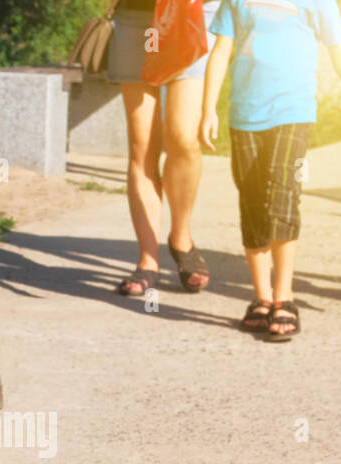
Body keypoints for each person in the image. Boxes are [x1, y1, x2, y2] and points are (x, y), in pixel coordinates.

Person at [199, 0, 341, 340]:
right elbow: (221, 50)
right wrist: (208, 109)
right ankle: (262, 298)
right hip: (245, 115)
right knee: (251, 202)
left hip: (295, 114)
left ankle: (284, 297)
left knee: (284, 196)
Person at [111, 0, 222, 297]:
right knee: (142, 144)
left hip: (192, 12)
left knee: (183, 138)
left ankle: (180, 236)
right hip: (136, 15)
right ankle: (148, 259)